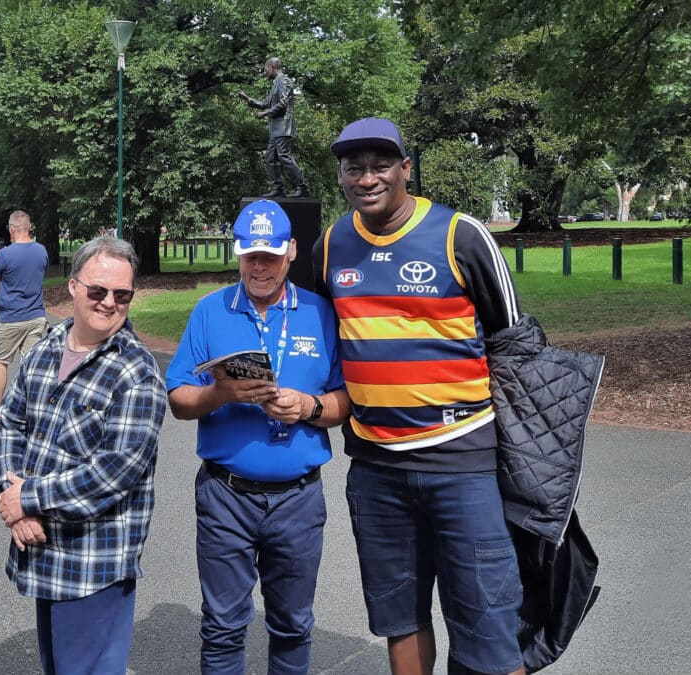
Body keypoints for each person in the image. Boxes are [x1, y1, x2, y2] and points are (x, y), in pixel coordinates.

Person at [313, 117, 526, 675]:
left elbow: (517, 344)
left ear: (406, 169)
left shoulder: (462, 235)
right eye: (353, 168)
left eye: (380, 165)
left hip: (462, 460)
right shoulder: (332, 243)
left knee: (488, 621)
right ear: (341, 176)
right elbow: (321, 339)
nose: (366, 178)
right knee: (399, 617)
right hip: (375, 466)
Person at [165, 200, 349, 673]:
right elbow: (179, 400)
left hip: (298, 500)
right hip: (226, 495)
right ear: (238, 253)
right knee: (223, 626)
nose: (260, 267)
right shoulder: (210, 311)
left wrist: (308, 407)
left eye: (270, 254)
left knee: (292, 624)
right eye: (251, 256)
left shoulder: (320, 312)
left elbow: (346, 400)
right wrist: (221, 395)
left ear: (290, 251)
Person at [0, 236, 167, 674]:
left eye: (122, 295)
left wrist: (26, 498)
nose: (109, 303)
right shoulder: (46, 349)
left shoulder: (137, 372)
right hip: (42, 552)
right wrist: (13, 500)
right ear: (72, 287)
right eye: (98, 291)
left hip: (93, 565)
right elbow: (11, 425)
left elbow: (112, 472)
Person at [0, 210, 49, 426]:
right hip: (36, 315)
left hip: (11, 317)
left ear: (12, 229)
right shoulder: (41, 251)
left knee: (2, 362)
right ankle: (32, 409)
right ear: (29, 227)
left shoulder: (6, 254)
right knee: (31, 363)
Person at [237, 57, 308, 198]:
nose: (264, 72)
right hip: (275, 129)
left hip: (283, 126)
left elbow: (282, 104)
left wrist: (265, 113)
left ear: (272, 67)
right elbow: (265, 103)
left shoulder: (285, 81)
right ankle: (278, 188)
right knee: (270, 158)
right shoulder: (275, 84)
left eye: (265, 69)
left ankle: (302, 187)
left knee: (284, 157)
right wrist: (247, 99)